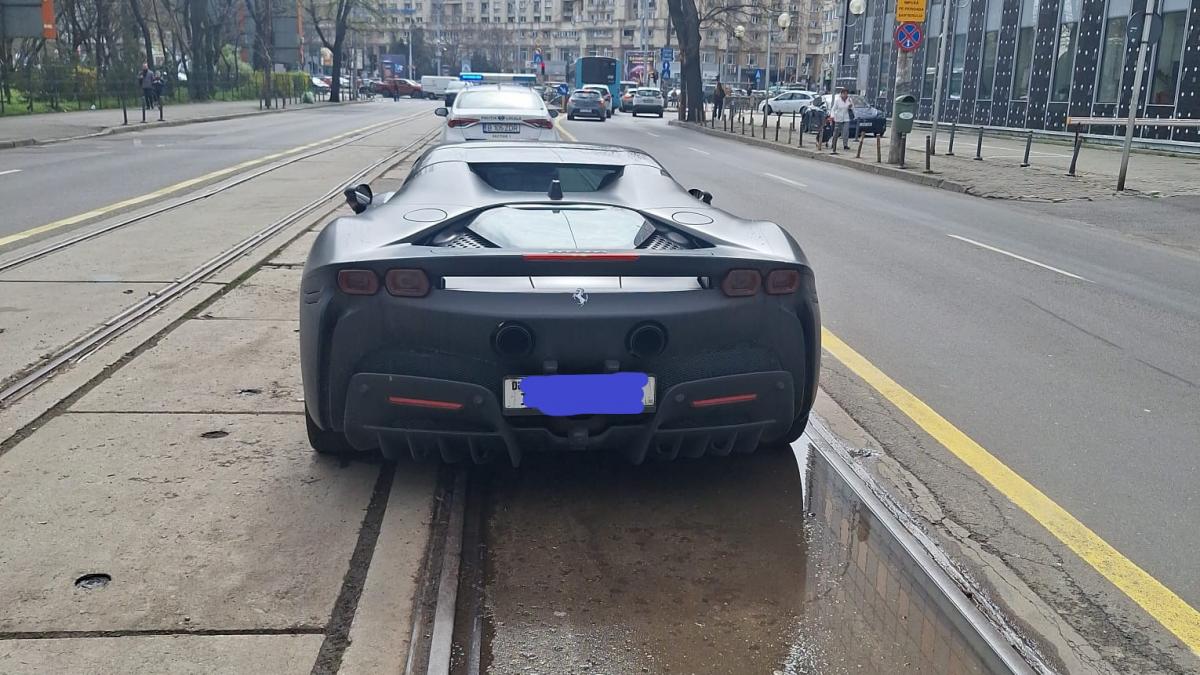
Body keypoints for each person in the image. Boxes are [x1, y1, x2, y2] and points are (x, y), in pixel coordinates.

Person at [829, 87, 853, 153]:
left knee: (846, 132)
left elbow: (852, 108)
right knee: (836, 133)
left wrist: (850, 106)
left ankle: (845, 145)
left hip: (846, 118)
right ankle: (833, 144)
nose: (845, 95)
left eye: (846, 93)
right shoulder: (837, 100)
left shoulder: (849, 100)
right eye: (844, 93)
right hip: (838, 118)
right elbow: (833, 109)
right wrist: (832, 116)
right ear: (841, 94)